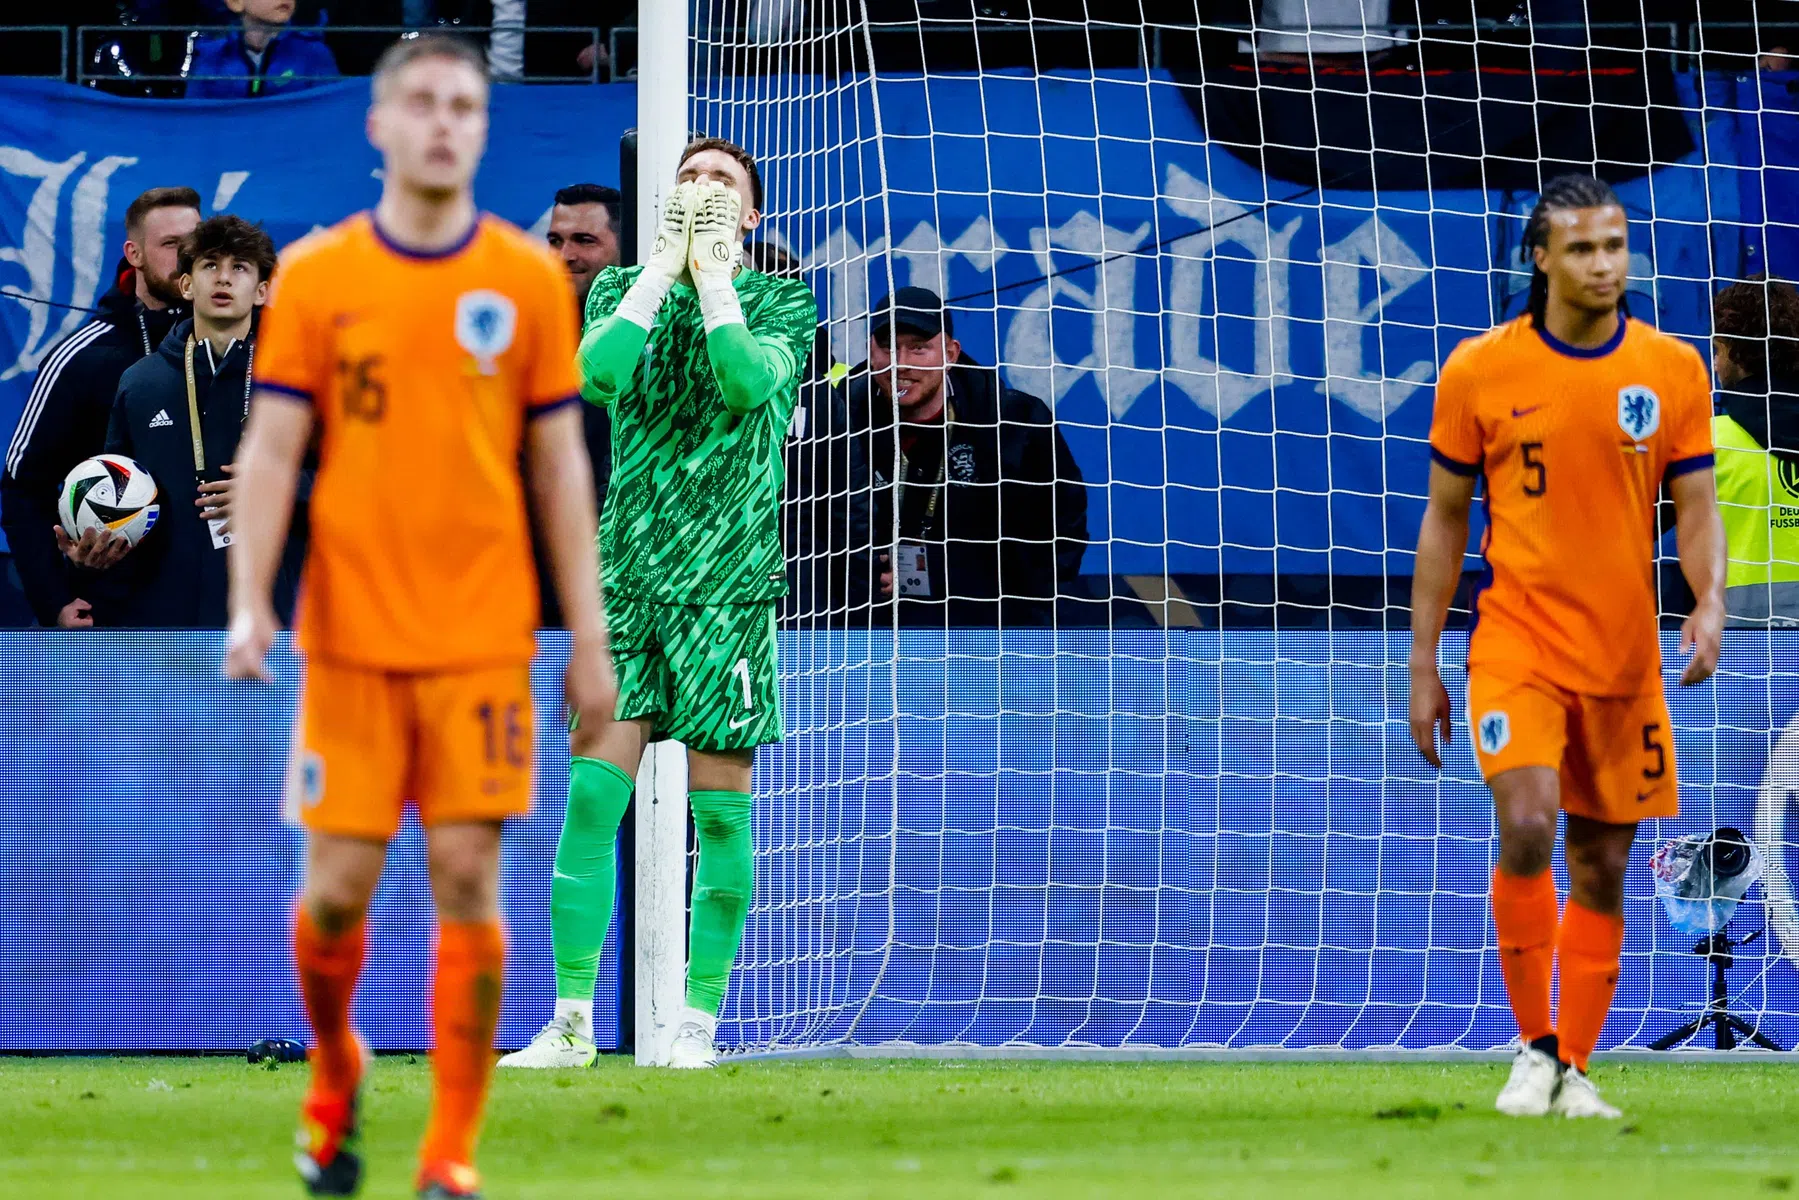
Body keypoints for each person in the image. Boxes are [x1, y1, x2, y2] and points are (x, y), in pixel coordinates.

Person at [222, 33, 612, 1200]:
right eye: (422, 104)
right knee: (336, 891)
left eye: (464, 106)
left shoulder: (527, 283)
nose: (444, 123)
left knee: (464, 879)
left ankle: (449, 1152)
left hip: (483, 642)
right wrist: (250, 601)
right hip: (346, 639)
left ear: (480, 132)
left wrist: (587, 636)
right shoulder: (320, 276)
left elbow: (558, 470)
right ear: (377, 126)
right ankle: (336, 1063)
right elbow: (274, 446)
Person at [1409, 174, 1725, 1120]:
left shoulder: (1672, 369)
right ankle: (1531, 1045)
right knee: (1528, 824)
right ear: (1539, 259)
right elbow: (1443, 518)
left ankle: (1572, 1068)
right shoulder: (1479, 370)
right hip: (1515, 643)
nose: (1602, 265)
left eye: (1614, 246)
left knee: (1601, 865)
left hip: (1624, 658)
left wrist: (1707, 602)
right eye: (1582, 249)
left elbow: (1695, 508)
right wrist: (1423, 662)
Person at [499, 137, 817, 1071]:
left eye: (723, 183)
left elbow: (745, 381)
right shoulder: (612, 292)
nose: (703, 190)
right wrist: (661, 278)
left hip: (725, 585)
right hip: (626, 584)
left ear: (751, 215)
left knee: (721, 818)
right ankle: (569, 1021)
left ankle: (696, 1022)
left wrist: (717, 283)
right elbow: (599, 376)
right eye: (689, 181)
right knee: (590, 804)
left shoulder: (781, 299)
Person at [2, 186, 199, 628]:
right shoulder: (83, 356)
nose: (187, 256)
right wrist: (54, 600)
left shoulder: (244, 351)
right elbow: (21, 489)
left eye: (195, 243)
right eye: (170, 244)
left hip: (222, 605)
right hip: (117, 609)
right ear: (135, 254)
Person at [845, 286, 1088, 627]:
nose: (901, 362)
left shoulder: (1014, 421)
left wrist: (949, 576)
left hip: (982, 628)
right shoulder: (839, 419)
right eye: (889, 347)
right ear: (871, 352)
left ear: (951, 353)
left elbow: (1059, 533)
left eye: (919, 348)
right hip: (860, 628)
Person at [83, 215, 280, 628]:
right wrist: (92, 556)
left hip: (273, 622)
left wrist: (276, 490)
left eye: (239, 268)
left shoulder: (294, 381)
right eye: (210, 265)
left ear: (262, 290)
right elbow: (116, 493)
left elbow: (355, 481)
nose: (223, 279)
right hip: (166, 628)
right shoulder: (141, 383)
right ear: (187, 284)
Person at [1710, 277, 1799, 626]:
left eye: (1717, 351)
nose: (1715, 365)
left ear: (1733, 349)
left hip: (1740, 660)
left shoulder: (1707, 442)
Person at [185, 0, 340, 99]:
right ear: (235, 2)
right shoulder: (212, 58)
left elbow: (331, 115)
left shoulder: (313, 54)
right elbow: (195, 121)